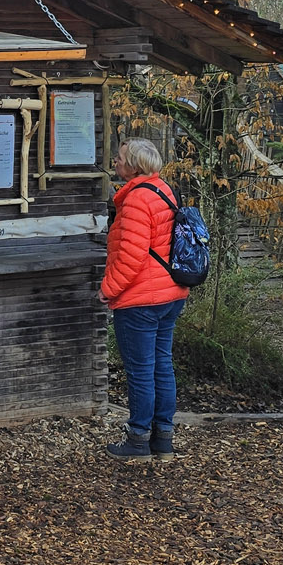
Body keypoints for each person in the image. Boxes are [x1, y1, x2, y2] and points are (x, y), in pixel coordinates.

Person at [99, 138, 191, 460]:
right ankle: (163, 439)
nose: (115, 161)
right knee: (161, 366)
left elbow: (131, 256)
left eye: (120, 158)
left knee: (140, 371)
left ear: (135, 165)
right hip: (169, 294)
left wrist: (107, 289)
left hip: (141, 299)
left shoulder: (137, 199)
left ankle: (137, 440)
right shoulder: (163, 189)